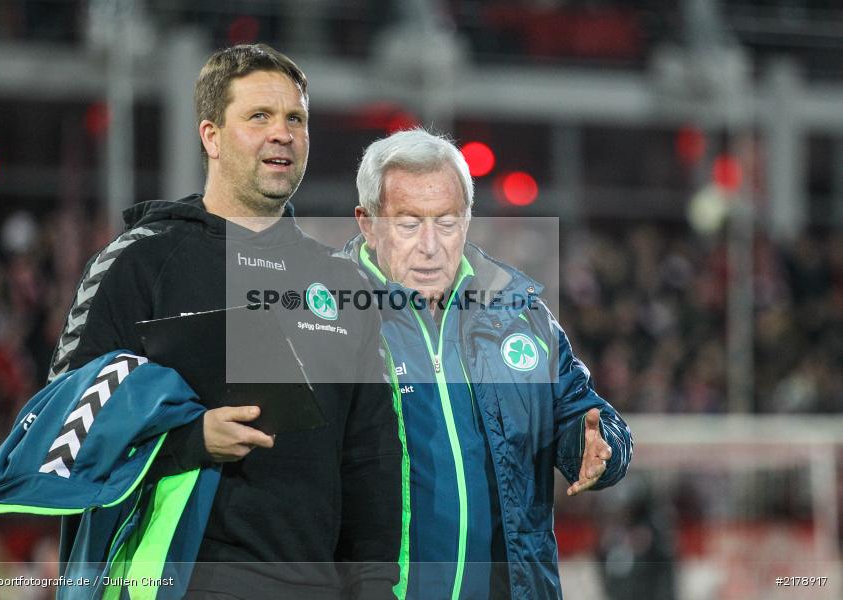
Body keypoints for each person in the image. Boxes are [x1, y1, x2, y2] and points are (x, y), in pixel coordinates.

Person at [45, 44, 406, 599]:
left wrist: (375, 588)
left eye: (295, 118)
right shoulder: (139, 261)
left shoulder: (345, 284)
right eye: (258, 116)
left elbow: (372, 459)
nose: (282, 133)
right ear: (210, 136)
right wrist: (191, 441)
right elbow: (64, 430)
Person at [344, 128, 633, 600]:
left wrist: (596, 444)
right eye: (409, 223)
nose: (431, 245)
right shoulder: (326, 319)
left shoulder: (521, 315)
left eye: (447, 221)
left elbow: (585, 414)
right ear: (367, 223)